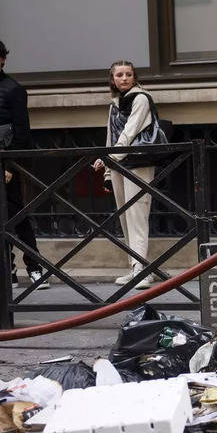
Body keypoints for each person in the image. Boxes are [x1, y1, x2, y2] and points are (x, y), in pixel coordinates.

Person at [0, 38, 48, 289]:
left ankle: (35, 267)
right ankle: (8, 269)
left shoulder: (14, 89)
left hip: (5, 161)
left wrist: (10, 166)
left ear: (3, 59)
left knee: (18, 215)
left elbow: (23, 132)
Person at [92, 60, 158, 289]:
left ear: (134, 77)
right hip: (119, 164)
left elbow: (130, 132)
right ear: (112, 79)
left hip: (138, 162)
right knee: (124, 217)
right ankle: (136, 267)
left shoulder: (141, 98)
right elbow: (111, 136)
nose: (124, 78)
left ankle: (142, 270)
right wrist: (108, 172)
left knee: (137, 215)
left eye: (128, 74)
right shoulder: (115, 104)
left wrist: (110, 158)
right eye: (119, 75)